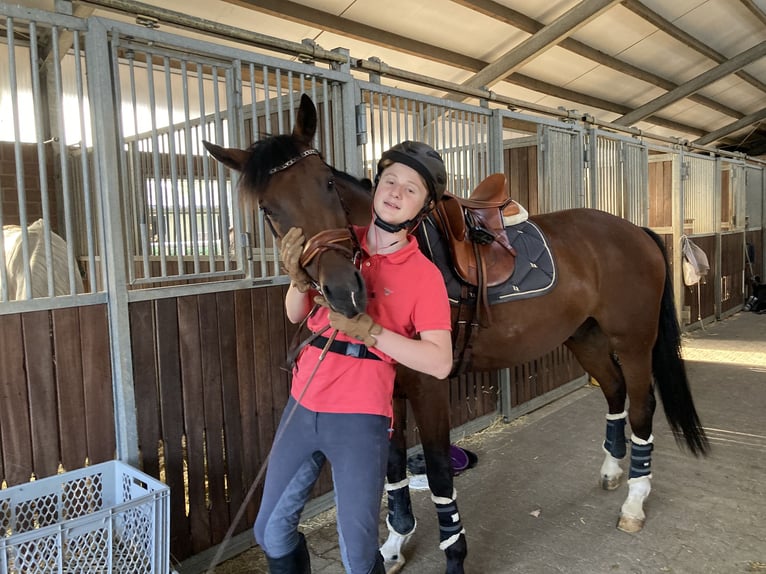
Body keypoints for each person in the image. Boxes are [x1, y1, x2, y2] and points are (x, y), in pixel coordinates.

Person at [253, 141, 453, 574]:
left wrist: (373, 332)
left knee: (358, 556)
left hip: (360, 416)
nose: (397, 191)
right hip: (302, 403)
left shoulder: (424, 276)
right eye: (391, 180)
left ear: (422, 206)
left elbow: (440, 362)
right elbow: (295, 315)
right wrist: (298, 280)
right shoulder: (339, 243)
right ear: (376, 185)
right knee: (268, 530)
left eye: (412, 188)